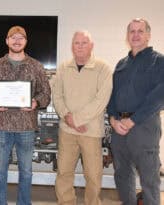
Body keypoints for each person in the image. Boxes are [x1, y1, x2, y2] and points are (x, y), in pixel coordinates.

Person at [0, 25, 51, 205]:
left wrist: (36, 102)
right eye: (13, 37)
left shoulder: (36, 66)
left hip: (26, 127)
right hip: (2, 127)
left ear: (26, 42)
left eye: (21, 37)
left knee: (27, 172)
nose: (17, 40)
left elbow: (45, 93)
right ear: (7, 41)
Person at [107, 18, 164, 205]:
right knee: (122, 176)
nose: (136, 35)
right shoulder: (121, 64)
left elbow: (158, 96)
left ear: (148, 35)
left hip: (144, 127)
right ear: (127, 36)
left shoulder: (159, 61)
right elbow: (112, 95)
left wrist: (133, 120)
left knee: (149, 180)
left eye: (140, 31)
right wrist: (113, 120)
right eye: (132, 31)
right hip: (119, 130)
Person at [52, 31, 113, 205]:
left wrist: (76, 120)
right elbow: (57, 95)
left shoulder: (103, 68)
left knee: (93, 175)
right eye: (76, 43)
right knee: (64, 172)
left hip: (91, 131)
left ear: (91, 45)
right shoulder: (63, 67)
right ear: (72, 46)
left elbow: (102, 99)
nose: (79, 46)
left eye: (84, 43)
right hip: (67, 130)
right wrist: (66, 117)